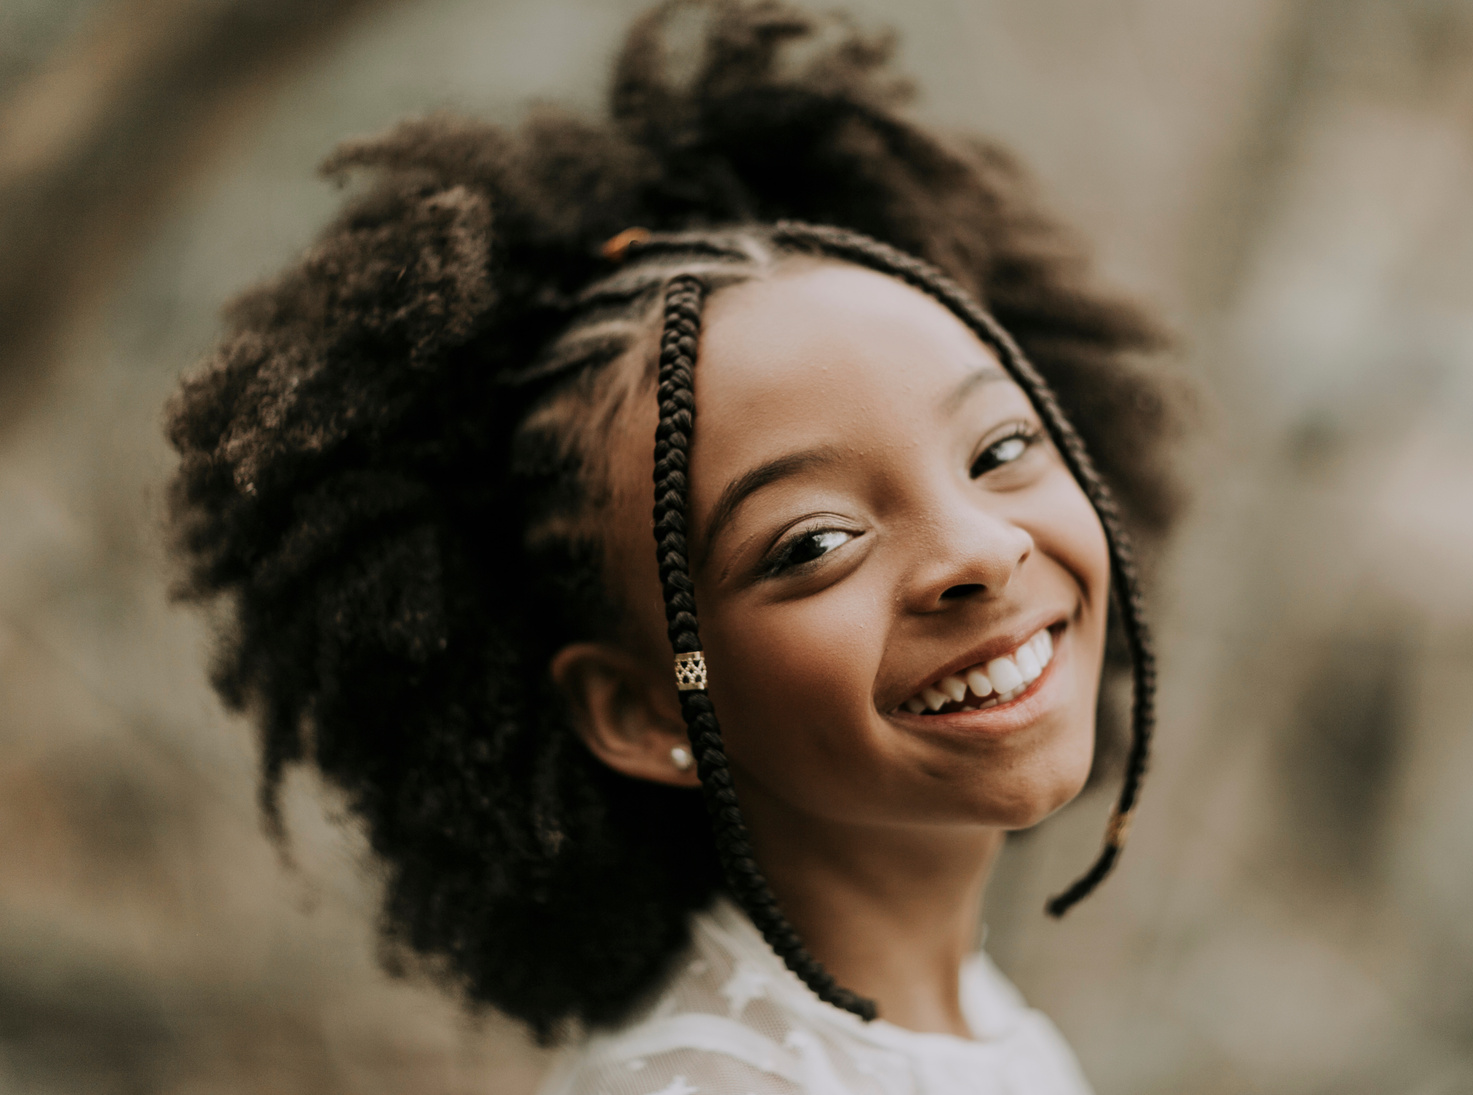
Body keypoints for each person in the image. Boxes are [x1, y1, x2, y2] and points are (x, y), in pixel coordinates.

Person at [165, 2, 1183, 1092]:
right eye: (813, 543)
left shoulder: (965, 1022)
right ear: (646, 711)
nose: (977, 549)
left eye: (1001, 447)